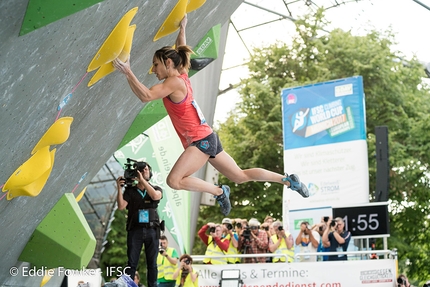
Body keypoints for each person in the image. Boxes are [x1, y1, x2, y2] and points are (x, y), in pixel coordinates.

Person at [112, 15, 309, 217]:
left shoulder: (174, 82)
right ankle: (288, 180)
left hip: (201, 141)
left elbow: (146, 96)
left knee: (174, 181)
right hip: (208, 137)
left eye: (156, 65)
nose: (153, 70)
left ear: (168, 62)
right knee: (240, 176)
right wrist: (182, 28)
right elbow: (182, 48)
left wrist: (127, 71)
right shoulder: (182, 73)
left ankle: (218, 191)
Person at [116, 162, 162, 287]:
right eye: (142, 170)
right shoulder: (130, 191)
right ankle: (128, 285)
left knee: (152, 263)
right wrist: (119, 189)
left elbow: (155, 196)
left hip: (152, 230)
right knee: (131, 262)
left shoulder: (156, 188)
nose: (144, 172)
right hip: (135, 230)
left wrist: (142, 180)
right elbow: (121, 206)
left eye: (146, 169)